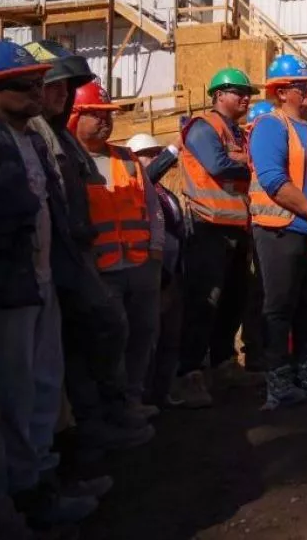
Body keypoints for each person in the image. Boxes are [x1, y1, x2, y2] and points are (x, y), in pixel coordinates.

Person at [0, 41, 100, 527]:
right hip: (9, 289)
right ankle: (23, 497)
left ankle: (42, 481)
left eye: (39, 83)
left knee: (42, 388)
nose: (37, 93)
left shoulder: (35, 141)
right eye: (23, 86)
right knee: (15, 398)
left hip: (41, 283)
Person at [28, 54, 152, 453]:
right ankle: (89, 431)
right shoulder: (38, 138)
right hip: (69, 266)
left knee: (112, 337)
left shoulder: (58, 140)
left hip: (92, 262)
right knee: (88, 345)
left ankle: (105, 419)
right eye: (52, 88)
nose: (105, 120)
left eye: (64, 89)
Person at [70, 81, 164, 421]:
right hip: (101, 272)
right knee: (109, 340)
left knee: (142, 334)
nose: (104, 122)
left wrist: (155, 249)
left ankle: (132, 400)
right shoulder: (69, 163)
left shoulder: (126, 158)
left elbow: (151, 206)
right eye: (95, 115)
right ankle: (108, 408)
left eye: (107, 115)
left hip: (140, 265)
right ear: (74, 116)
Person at [174, 68, 259, 408]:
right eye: (238, 91)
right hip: (207, 226)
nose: (246, 97)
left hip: (236, 227)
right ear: (218, 94)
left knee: (234, 298)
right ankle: (187, 374)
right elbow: (218, 165)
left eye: (247, 92)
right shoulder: (203, 127)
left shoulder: (239, 133)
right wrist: (251, 166)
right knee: (204, 302)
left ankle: (224, 364)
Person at [248, 54, 307, 410]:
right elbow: (273, 180)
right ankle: (278, 378)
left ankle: (305, 370)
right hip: (281, 230)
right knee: (280, 306)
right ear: (282, 92)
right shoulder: (271, 126)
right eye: (302, 85)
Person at [126, 133, 186, 409]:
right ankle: (144, 396)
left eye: (155, 152)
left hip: (173, 272)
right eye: (145, 153)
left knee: (170, 338)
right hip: (154, 273)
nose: (150, 157)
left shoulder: (164, 192)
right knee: (151, 337)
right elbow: (147, 174)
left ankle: (162, 393)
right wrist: (173, 148)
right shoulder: (136, 185)